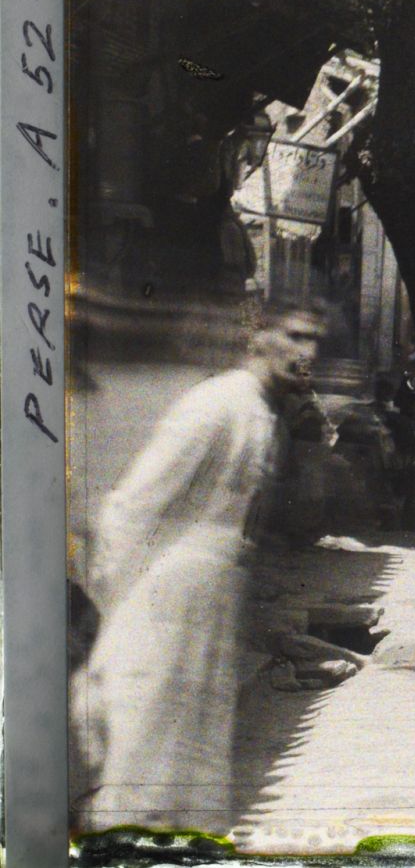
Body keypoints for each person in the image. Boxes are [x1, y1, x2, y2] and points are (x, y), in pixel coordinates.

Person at [78, 302, 323, 834]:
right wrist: (117, 608)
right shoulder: (214, 405)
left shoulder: (265, 411)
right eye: (296, 336)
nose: (309, 353)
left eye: (315, 341)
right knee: (145, 748)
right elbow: (134, 504)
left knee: (195, 758)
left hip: (213, 601)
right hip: (167, 597)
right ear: (258, 336)